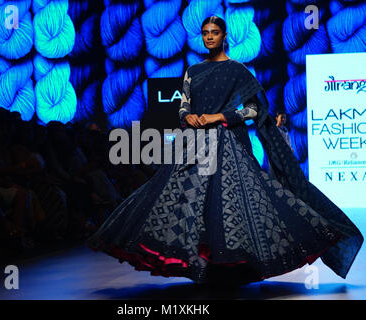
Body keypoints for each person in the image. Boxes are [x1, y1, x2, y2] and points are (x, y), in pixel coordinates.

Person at [87, 16, 363, 285]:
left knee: (235, 204)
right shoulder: (193, 71)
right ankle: (205, 266)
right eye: (205, 32)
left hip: (230, 144)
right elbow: (184, 104)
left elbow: (256, 109)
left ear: (224, 36)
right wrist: (188, 117)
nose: (209, 36)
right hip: (196, 145)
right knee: (186, 202)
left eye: (214, 32)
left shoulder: (238, 71)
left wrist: (218, 117)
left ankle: (236, 266)